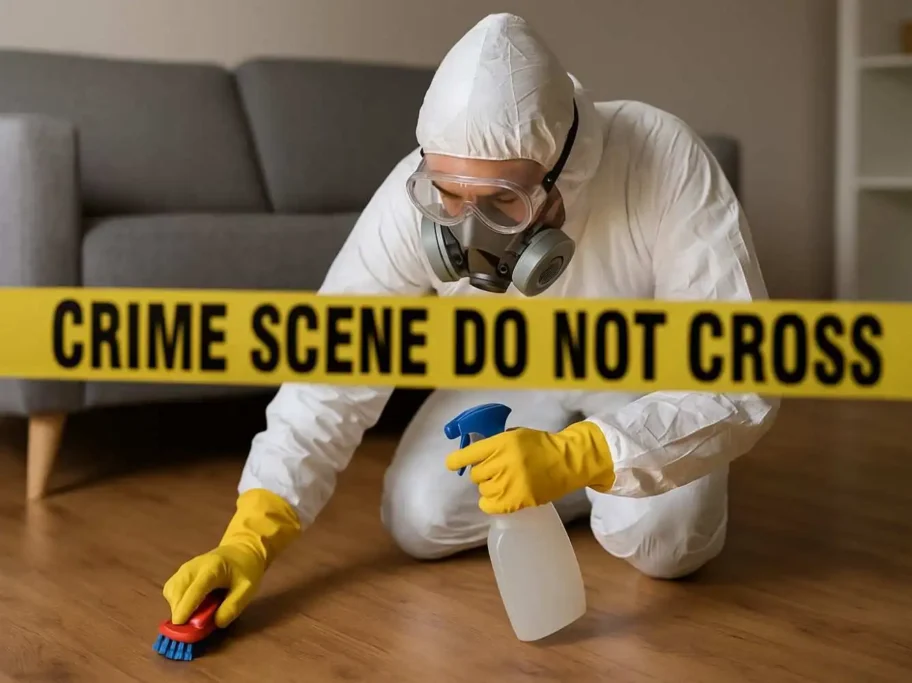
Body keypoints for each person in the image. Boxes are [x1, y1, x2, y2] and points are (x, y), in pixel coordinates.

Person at [162, 12, 779, 629]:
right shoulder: (410, 195)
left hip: (640, 378)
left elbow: (741, 373)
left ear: (566, 168)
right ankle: (565, 487)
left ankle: (595, 476)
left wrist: (580, 453)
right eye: (450, 196)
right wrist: (251, 536)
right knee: (419, 518)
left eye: (504, 202)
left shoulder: (662, 155)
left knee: (666, 543)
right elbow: (334, 361)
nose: (468, 229)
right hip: (509, 376)